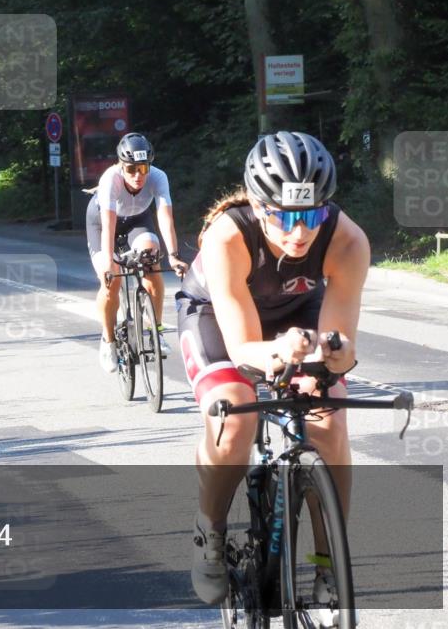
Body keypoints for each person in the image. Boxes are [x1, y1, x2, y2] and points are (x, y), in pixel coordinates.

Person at [176, 131, 366, 608]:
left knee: (329, 418)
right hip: (218, 319)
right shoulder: (228, 236)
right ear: (260, 207)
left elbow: (341, 344)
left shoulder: (347, 239)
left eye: (312, 214)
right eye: (285, 216)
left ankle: (330, 568)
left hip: (296, 313)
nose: (300, 232)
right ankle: (211, 533)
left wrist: (333, 356)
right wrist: (278, 352)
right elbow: (242, 348)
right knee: (234, 413)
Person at [86, 132, 188, 373]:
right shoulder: (110, 179)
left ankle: (157, 331)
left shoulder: (158, 177)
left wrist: (173, 255)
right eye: (131, 169)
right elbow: (108, 226)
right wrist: (110, 264)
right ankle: (108, 340)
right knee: (109, 281)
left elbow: (165, 218)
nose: (138, 175)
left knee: (152, 256)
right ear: (121, 166)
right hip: (103, 222)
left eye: (143, 168)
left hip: (136, 220)